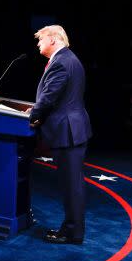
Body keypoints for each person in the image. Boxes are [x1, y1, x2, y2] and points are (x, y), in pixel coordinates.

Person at [28, 25, 92, 244]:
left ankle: (73, 233)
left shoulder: (62, 62)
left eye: (41, 39)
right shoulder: (67, 59)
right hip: (71, 129)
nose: (38, 43)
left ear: (53, 39)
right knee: (71, 184)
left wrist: (34, 114)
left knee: (71, 185)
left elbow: (49, 97)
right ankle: (71, 229)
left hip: (68, 131)